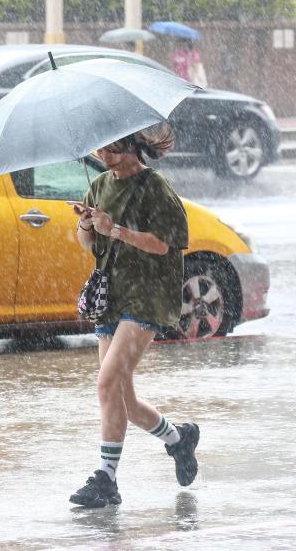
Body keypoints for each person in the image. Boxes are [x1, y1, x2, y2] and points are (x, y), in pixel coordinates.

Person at [68, 123, 199, 509]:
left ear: (131, 145)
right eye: (100, 151)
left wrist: (118, 230)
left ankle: (106, 480)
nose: (104, 158)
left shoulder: (155, 188)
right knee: (121, 398)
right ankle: (178, 439)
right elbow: (88, 243)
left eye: (112, 150)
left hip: (147, 297)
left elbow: (164, 244)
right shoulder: (100, 185)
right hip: (112, 296)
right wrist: (87, 225)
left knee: (106, 383)